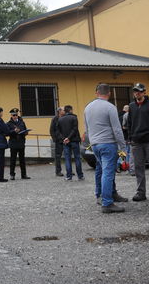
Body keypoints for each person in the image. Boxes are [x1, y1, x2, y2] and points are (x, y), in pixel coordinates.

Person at [84, 84, 127, 214]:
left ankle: (106, 194)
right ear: (109, 93)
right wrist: (123, 147)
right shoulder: (110, 107)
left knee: (102, 170)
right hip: (108, 143)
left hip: (95, 144)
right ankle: (107, 203)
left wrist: (91, 143)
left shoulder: (87, 107)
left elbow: (87, 129)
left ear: (96, 93)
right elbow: (117, 129)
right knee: (108, 172)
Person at [58, 105, 84, 181]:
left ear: (65, 111)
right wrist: (69, 138)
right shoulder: (74, 118)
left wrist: (64, 138)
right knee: (77, 158)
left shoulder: (60, 119)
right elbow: (75, 129)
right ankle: (80, 176)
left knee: (67, 159)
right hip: (74, 140)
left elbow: (58, 131)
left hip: (65, 142)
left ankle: (69, 176)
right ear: (71, 110)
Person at [7, 108, 30, 180]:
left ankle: (24, 174)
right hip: (13, 143)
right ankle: (12, 175)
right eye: (13, 115)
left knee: (22, 160)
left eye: (16, 115)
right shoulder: (8, 123)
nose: (15, 116)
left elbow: (25, 131)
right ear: (11, 115)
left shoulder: (22, 122)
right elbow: (7, 133)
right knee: (13, 160)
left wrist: (24, 132)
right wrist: (14, 131)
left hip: (21, 143)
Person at [50, 107, 65, 176]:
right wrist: (54, 139)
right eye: (63, 110)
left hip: (66, 139)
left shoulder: (65, 117)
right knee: (58, 156)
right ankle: (58, 171)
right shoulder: (55, 119)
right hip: (58, 140)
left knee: (68, 155)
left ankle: (69, 170)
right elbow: (51, 130)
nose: (64, 111)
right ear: (59, 111)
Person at [121, 105, 135, 175]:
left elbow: (123, 127)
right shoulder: (130, 114)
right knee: (130, 153)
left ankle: (126, 167)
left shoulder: (124, 115)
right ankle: (131, 168)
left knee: (125, 152)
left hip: (125, 136)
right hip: (131, 136)